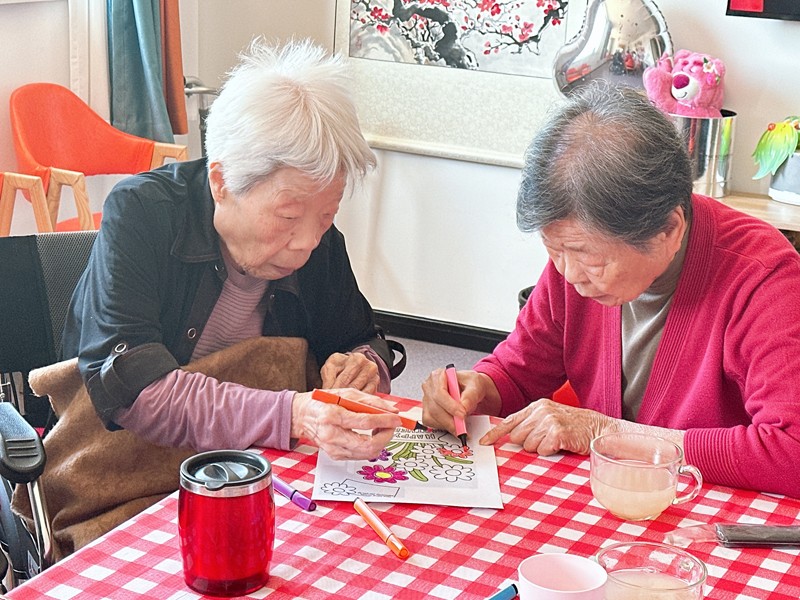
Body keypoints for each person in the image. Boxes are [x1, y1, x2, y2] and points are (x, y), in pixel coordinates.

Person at [422, 81, 800, 498]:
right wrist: (477, 390)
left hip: (710, 510)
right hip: (610, 500)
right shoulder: (573, 259)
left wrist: (606, 433)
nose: (569, 275)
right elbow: (519, 371)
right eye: (554, 251)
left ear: (668, 229)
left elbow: (792, 450)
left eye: (588, 256)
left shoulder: (763, 277)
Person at [63, 38, 403, 460]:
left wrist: (364, 365)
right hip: (130, 464)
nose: (308, 242)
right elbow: (133, 388)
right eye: (288, 215)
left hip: (249, 464)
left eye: (326, 215)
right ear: (221, 182)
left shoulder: (320, 242)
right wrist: (293, 414)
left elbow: (361, 338)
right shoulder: (142, 212)